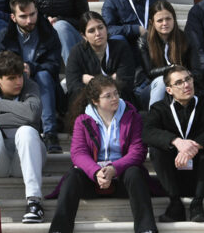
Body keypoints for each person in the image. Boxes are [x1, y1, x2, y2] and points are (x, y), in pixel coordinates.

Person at [49, 76, 157, 233]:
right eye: (108, 96)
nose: (115, 98)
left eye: (116, 93)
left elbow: (138, 151)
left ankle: (147, 229)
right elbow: (78, 153)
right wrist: (96, 172)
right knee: (72, 175)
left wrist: (114, 168)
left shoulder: (132, 117)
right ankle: (59, 230)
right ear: (95, 101)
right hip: (94, 180)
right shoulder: (82, 120)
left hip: (123, 178)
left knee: (134, 172)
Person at [143, 65, 204, 223]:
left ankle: (197, 204)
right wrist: (176, 142)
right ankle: (175, 204)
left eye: (188, 79)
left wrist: (193, 146)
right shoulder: (159, 108)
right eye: (179, 82)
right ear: (169, 90)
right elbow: (147, 132)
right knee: (156, 150)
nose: (186, 85)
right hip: (173, 178)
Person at [0, 51, 47, 224]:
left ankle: (34, 202)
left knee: (26, 131)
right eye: (12, 78)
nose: (18, 82)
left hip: (28, 159)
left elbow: (32, 115)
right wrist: (12, 115)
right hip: (0, 163)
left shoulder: (30, 86)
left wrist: (0, 106)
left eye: (20, 76)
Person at [0, 0, 63, 153]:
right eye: (23, 16)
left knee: (44, 75)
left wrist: (32, 67)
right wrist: (17, 69)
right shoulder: (5, 37)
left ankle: (50, 133)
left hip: (42, 81)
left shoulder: (49, 33)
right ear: (13, 17)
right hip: (15, 82)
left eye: (32, 14)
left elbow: (54, 65)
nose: (30, 20)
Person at [135, 0, 201, 109]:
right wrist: (172, 69)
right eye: (160, 20)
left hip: (181, 86)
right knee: (161, 82)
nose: (165, 23)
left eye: (168, 19)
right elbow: (149, 73)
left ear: (174, 19)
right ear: (152, 22)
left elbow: (197, 72)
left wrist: (183, 77)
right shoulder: (144, 41)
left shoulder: (187, 38)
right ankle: (154, 119)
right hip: (152, 89)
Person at [66, 11, 136, 108]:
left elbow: (126, 82)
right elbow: (73, 86)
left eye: (100, 27)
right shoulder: (76, 52)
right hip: (88, 104)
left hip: (119, 101)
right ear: (83, 36)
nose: (98, 33)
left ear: (106, 28)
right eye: (91, 31)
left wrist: (92, 81)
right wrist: (111, 79)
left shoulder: (121, 47)